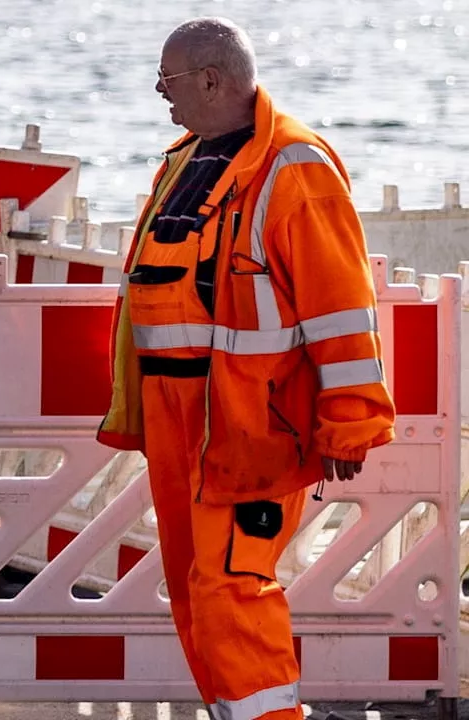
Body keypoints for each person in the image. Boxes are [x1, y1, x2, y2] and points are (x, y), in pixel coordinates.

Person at [97, 17, 396, 720]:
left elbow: (342, 305)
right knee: (198, 595)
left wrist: (349, 422)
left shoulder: (294, 166)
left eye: (166, 81)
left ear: (210, 78)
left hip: (250, 422)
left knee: (230, 591)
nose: (158, 95)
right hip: (183, 423)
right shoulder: (183, 160)